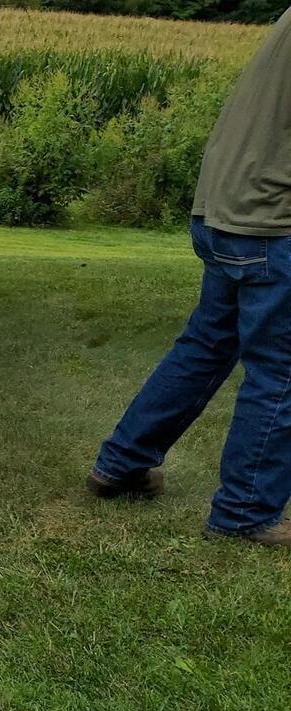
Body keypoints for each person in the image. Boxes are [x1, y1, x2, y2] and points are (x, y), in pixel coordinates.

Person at [89, 9, 291, 546]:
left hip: (223, 209)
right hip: (271, 220)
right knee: (282, 370)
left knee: (208, 343)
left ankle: (122, 463)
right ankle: (244, 514)